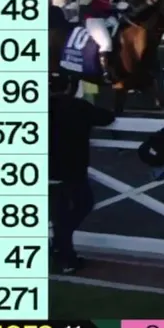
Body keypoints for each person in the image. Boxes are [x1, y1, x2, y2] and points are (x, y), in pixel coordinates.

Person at [48, 80, 116, 274]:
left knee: (59, 214)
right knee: (82, 206)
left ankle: (62, 254)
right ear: (71, 87)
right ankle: (62, 251)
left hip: (48, 169)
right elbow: (107, 117)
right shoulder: (78, 106)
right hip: (72, 170)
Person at [79, 0, 116, 81]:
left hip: (104, 18)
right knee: (106, 43)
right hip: (93, 20)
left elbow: (104, 5)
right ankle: (105, 72)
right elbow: (83, 6)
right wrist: (100, 13)